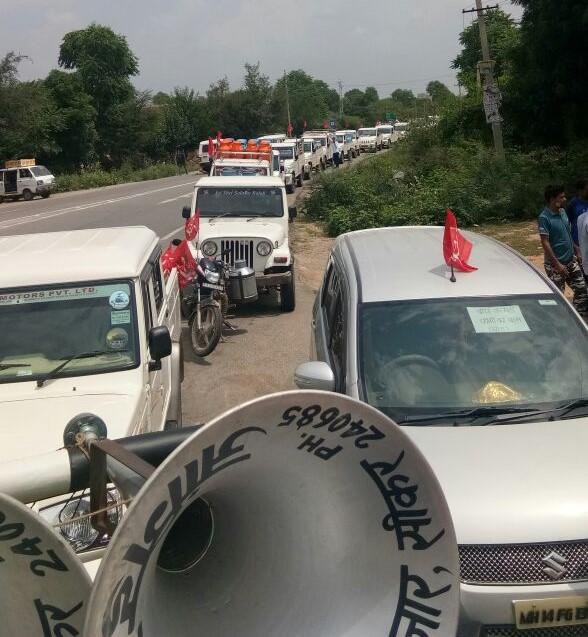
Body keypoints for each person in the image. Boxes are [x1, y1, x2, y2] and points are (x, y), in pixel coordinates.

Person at [538, 184, 588, 319]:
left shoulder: (562, 212)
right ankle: (558, 323)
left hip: (571, 260)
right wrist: (557, 264)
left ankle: (577, 320)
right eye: (562, 197)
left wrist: (576, 249)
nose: (565, 199)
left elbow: (567, 233)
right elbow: (545, 242)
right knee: (558, 298)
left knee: (582, 290)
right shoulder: (544, 217)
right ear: (552, 199)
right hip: (555, 265)